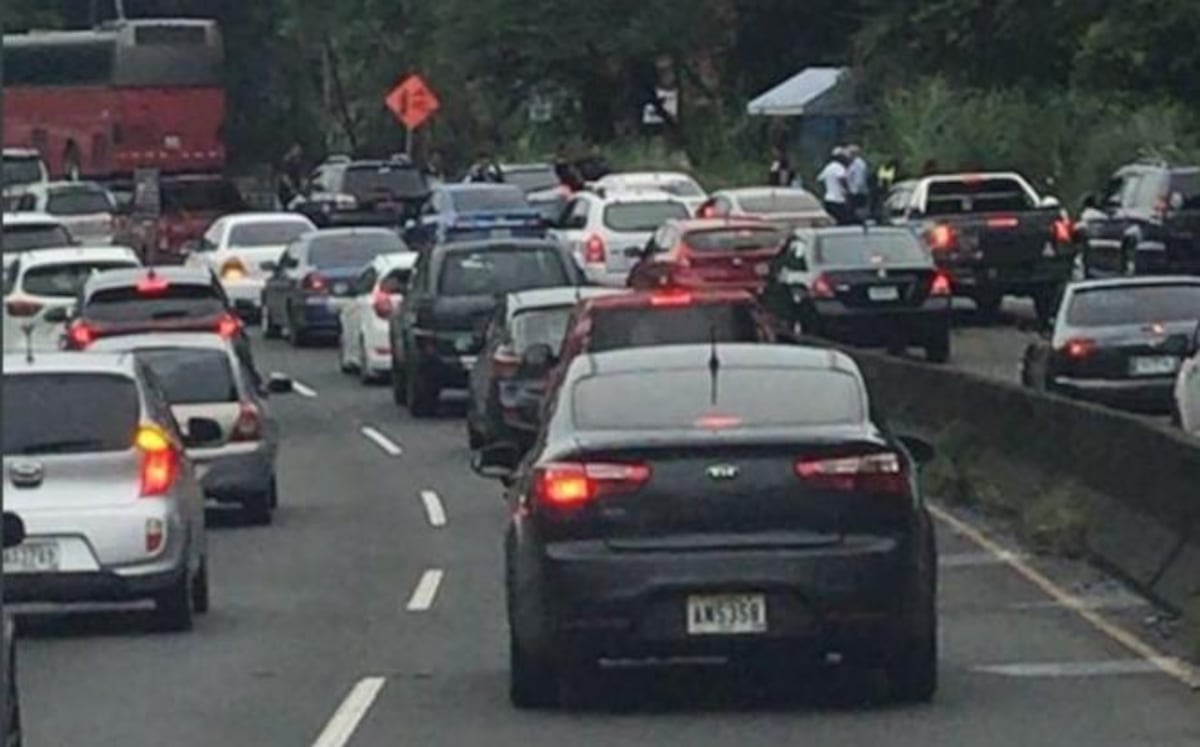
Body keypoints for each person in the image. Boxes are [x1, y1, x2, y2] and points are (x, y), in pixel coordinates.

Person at [817, 147, 852, 225]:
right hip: (838, 200)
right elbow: (842, 179)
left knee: (832, 222)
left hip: (828, 199)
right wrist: (847, 191)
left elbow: (820, 179)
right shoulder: (839, 167)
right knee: (842, 222)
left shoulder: (828, 167)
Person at [845, 145, 870, 222]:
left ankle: (860, 223)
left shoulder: (858, 164)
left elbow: (859, 179)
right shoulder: (854, 163)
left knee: (857, 211)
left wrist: (853, 191)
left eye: (849, 153)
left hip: (857, 192)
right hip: (855, 191)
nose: (847, 155)